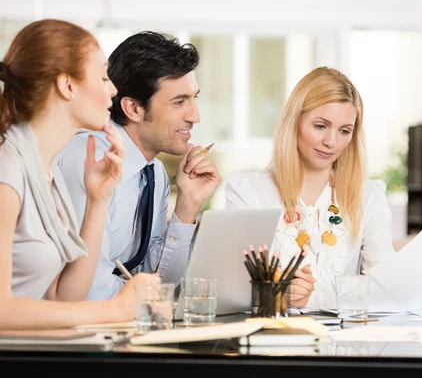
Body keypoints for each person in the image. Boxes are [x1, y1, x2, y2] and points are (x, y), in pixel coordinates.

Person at [0, 19, 158, 329]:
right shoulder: (8, 172)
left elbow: (65, 297)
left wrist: (98, 200)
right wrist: (115, 309)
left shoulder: (44, 171)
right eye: (102, 78)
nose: (112, 90)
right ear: (67, 85)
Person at [56, 31, 221, 300]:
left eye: (194, 99)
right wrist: (147, 296)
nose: (195, 116)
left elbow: (165, 286)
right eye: (179, 102)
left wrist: (188, 206)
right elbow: (88, 290)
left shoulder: (153, 173)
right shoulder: (90, 161)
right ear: (133, 109)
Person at [225, 67, 394, 309]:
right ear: (294, 121)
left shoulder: (369, 196)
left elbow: (387, 287)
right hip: (274, 342)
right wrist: (277, 296)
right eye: (320, 126)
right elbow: (229, 294)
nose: (331, 142)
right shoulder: (248, 191)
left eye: (344, 131)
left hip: (345, 343)